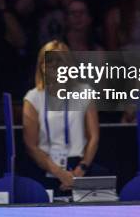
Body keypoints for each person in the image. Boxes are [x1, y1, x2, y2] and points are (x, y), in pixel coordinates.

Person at [23, 40, 102, 193]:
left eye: (59, 61)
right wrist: (60, 173)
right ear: (41, 66)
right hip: (46, 165)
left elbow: (94, 137)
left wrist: (81, 169)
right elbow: (31, 146)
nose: (54, 66)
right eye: (49, 61)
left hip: (80, 165)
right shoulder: (33, 98)